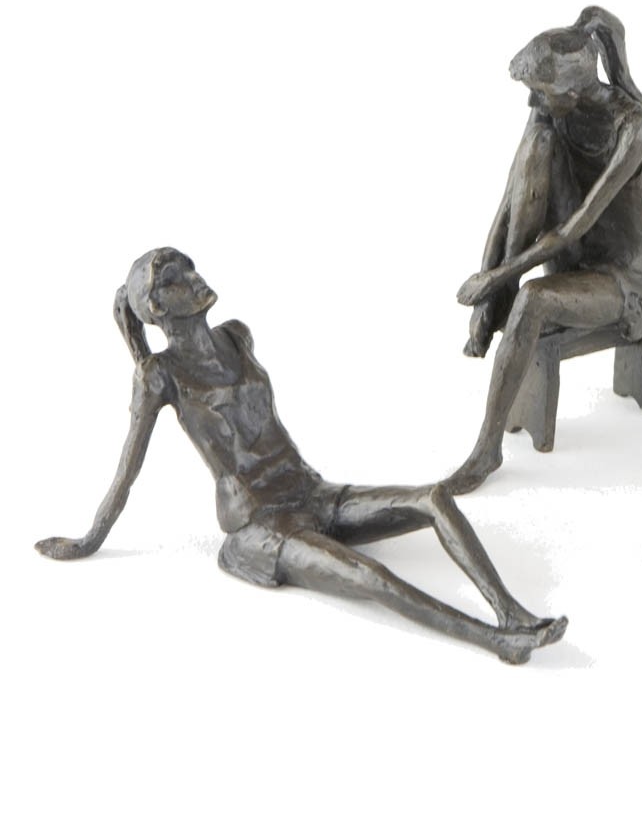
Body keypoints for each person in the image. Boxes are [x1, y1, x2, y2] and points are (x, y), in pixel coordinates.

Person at [36, 249, 566, 664]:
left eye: (191, 267)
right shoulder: (159, 375)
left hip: (312, 491)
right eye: (176, 278)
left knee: (433, 499)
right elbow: (126, 474)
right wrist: (89, 540)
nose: (195, 278)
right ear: (156, 308)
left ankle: (510, 610)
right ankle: (497, 641)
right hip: (260, 526)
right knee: (370, 576)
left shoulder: (237, 336)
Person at [448, 6, 642, 492]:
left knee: (533, 300)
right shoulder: (553, 111)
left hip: (619, 278)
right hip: (572, 256)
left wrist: (496, 280)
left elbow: (572, 226)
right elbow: (512, 201)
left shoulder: (633, 128)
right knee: (537, 145)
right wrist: (486, 291)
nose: (532, 101)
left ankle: (487, 450)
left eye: (539, 93)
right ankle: (498, 309)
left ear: (571, 91)